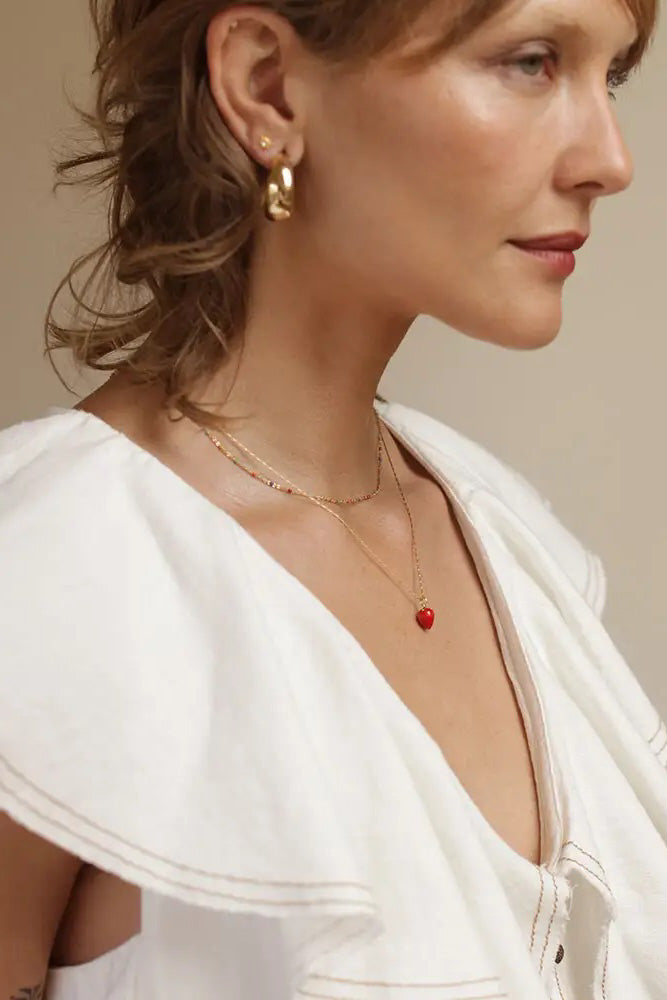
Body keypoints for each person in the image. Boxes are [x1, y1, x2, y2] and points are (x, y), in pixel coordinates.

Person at [1, 0, 665, 997]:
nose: (609, 161)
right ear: (267, 85)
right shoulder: (53, 581)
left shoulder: (509, 541)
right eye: (531, 61)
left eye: (608, 76)